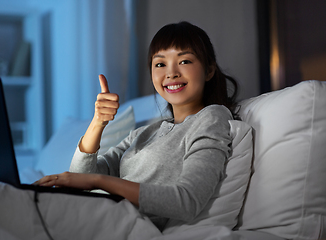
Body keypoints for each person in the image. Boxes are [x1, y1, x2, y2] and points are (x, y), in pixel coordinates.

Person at [35, 21, 239, 230]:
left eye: (184, 61)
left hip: (120, 224)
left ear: (209, 70)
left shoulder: (212, 117)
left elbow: (187, 201)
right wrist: (98, 123)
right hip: (93, 213)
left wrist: (98, 182)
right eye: (160, 64)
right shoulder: (145, 133)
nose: (171, 73)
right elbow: (80, 178)